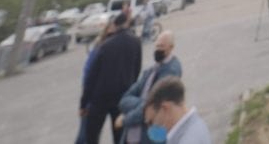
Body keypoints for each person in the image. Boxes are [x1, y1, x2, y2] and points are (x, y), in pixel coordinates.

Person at [81, 12, 142, 144]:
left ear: (115, 25)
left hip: (100, 97)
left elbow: (92, 76)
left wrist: (84, 103)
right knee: (119, 134)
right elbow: (137, 69)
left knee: (92, 135)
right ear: (126, 24)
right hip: (122, 95)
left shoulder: (105, 45)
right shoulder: (136, 42)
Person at [116, 30, 184, 144]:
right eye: (157, 45)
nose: (158, 49)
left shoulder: (171, 71)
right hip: (138, 127)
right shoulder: (154, 68)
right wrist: (143, 104)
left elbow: (153, 106)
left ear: (171, 47)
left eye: (161, 46)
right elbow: (125, 99)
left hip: (154, 129)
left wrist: (125, 120)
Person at [143, 77, 212, 144]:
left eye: (151, 122)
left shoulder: (188, 139)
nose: (150, 129)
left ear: (165, 109)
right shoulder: (196, 125)